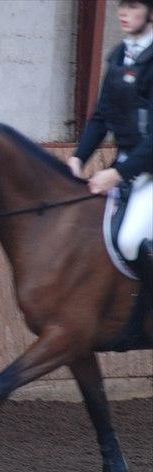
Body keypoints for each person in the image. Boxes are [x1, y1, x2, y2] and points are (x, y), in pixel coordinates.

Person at [67, 0, 153, 279]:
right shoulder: (119, 56)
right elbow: (102, 116)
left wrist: (116, 173)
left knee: (130, 241)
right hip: (127, 166)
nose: (124, 14)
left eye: (133, 7)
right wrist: (79, 157)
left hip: (146, 172)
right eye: (122, 7)